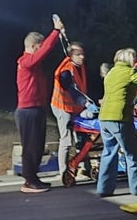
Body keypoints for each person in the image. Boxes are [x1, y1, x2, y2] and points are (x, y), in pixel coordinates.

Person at [15, 14, 66, 193]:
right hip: (27, 111)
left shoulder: (33, 64)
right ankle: (29, 181)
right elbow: (44, 52)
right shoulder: (26, 62)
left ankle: (33, 178)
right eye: (39, 47)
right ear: (33, 46)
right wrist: (56, 31)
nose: (41, 51)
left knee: (37, 145)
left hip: (36, 109)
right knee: (30, 147)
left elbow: (43, 53)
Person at [97, 48, 137, 197]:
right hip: (120, 118)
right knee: (132, 154)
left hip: (104, 118)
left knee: (109, 153)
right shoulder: (130, 72)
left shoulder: (110, 73)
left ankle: (104, 189)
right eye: (134, 58)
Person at [51, 38, 96, 178]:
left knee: (82, 137)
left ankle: (85, 168)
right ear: (71, 56)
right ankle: (64, 172)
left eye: (83, 54)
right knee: (66, 140)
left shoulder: (79, 66)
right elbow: (72, 90)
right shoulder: (65, 71)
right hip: (62, 107)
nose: (82, 57)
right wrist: (86, 103)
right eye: (78, 54)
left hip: (76, 107)